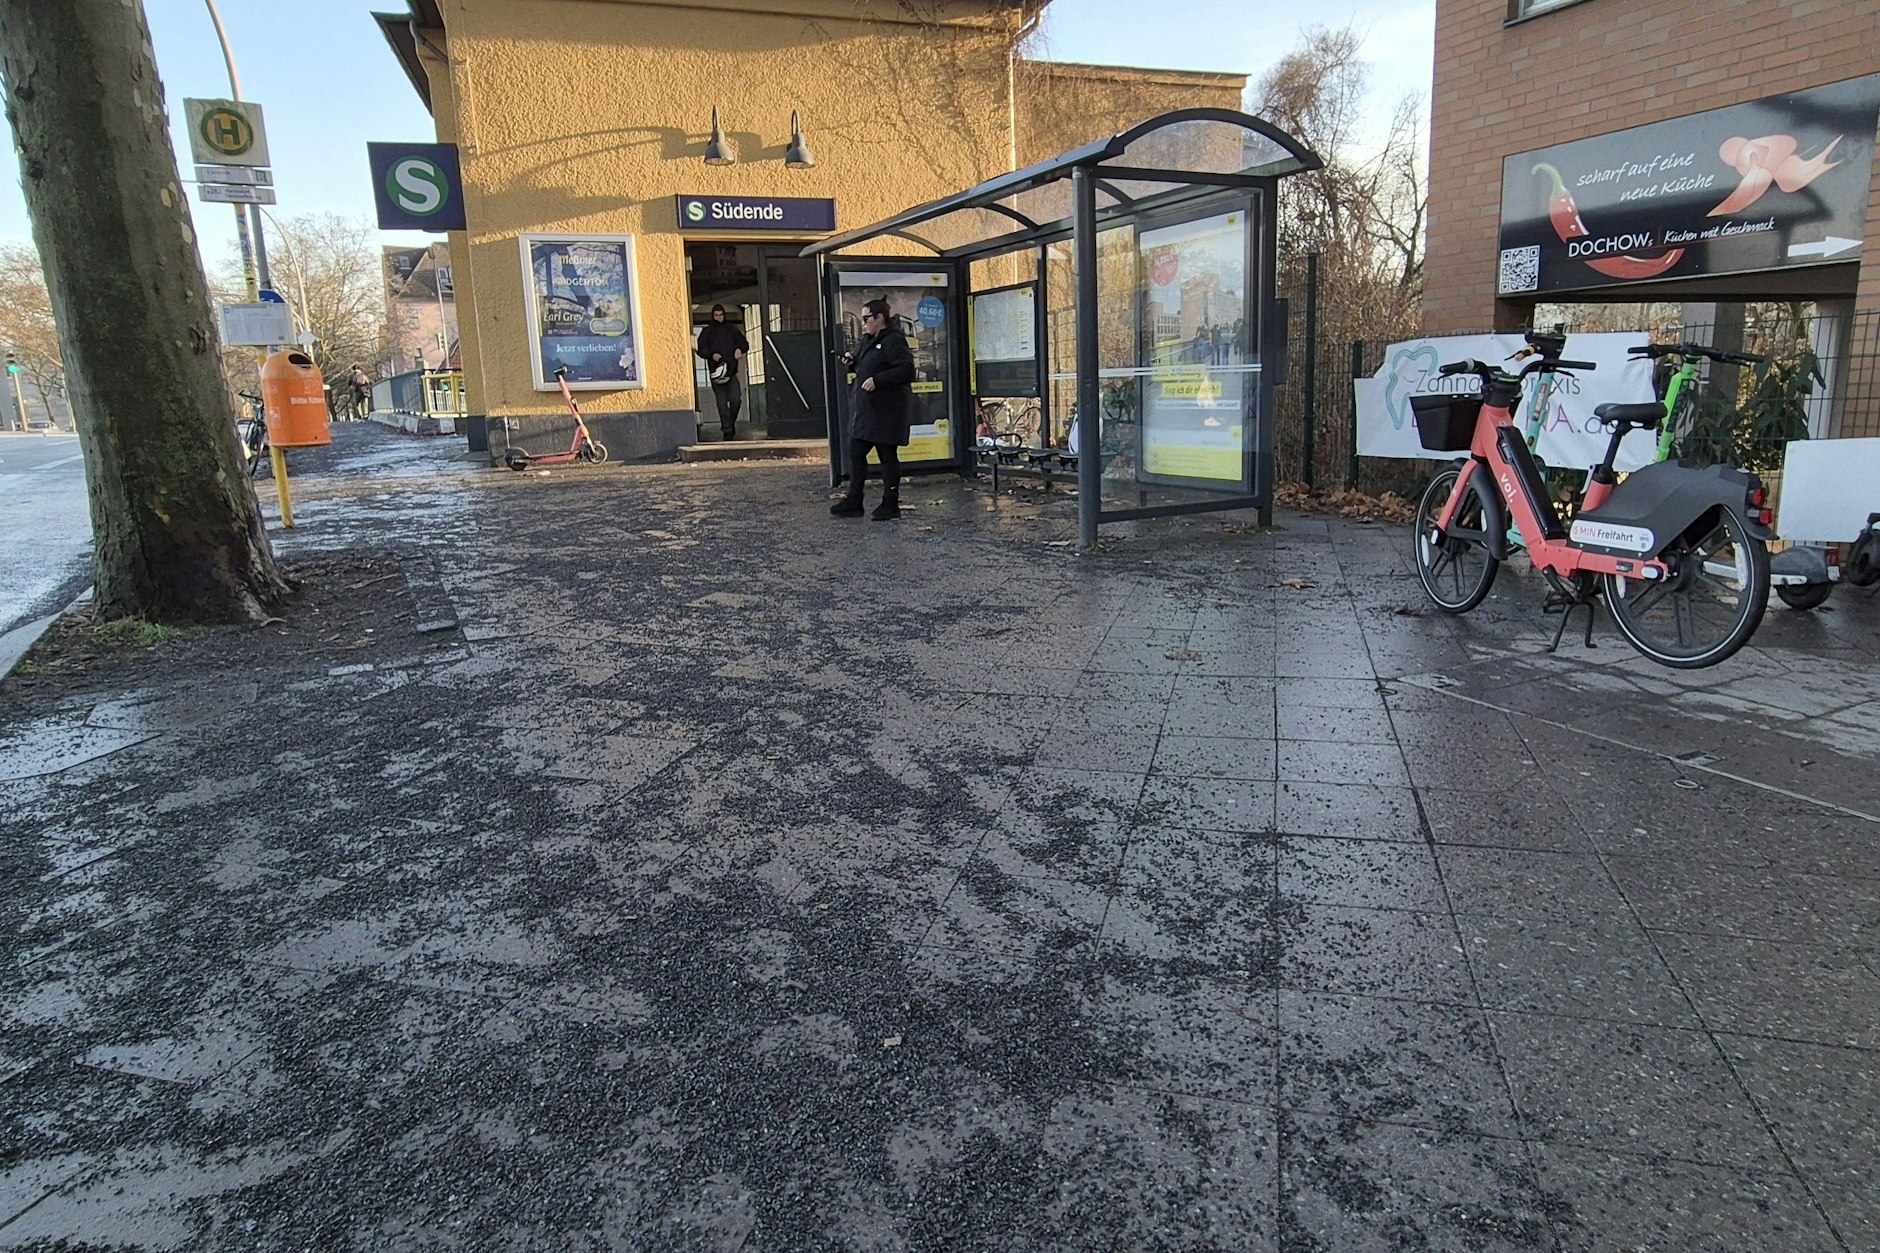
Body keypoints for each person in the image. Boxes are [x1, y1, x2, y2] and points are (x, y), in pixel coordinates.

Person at [832, 298, 914, 520]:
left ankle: (890, 504)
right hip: (868, 411)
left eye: (867, 318)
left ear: (880, 318)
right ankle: (854, 500)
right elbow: (865, 362)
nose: (864, 322)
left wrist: (878, 380)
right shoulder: (868, 339)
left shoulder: (894, 340)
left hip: (886, 410)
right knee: (855, 451)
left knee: (887, 455)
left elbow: (906, 370)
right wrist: (852, 360)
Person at [695, 304, 748, 440]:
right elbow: (700, 350)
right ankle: (727, 431)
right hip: (716, 375)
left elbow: (744, 344)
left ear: (724, 315)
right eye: (716, 315)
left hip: (731, 372)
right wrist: (712, 355)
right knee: (721, 403)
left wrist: (739, 349)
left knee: (736, 400)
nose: (719, 317)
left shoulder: (731, 329)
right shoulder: (707, 332)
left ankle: (730, 424)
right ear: (713, 316)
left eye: (721, 315)